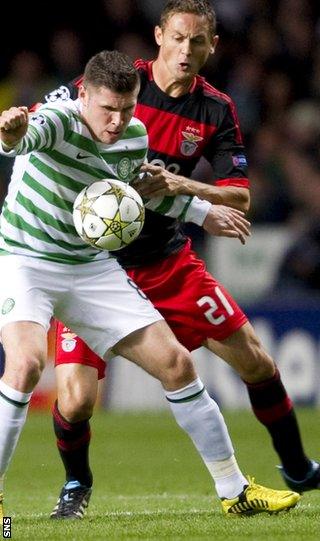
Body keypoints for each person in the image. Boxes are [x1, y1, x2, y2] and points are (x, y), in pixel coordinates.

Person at [42, 0, 320, 519]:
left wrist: (180, 185)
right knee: (75, 400)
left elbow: (240, 196)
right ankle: (76, 484)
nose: (186, 50)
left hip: (168, 262)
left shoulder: (216, 109)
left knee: (256, 361)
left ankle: (297, 466)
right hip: (95, 268)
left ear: (212, 46)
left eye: (197, 41)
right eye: (177, 38)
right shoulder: (122, 83)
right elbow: (56, 111)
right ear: (158, 36)